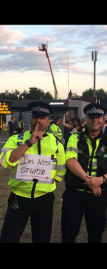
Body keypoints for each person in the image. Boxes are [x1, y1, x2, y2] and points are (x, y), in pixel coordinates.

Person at [0, 101, 66, 243]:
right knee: (8, 238)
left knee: (42, 239)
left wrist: (46, 185)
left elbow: (61, 172)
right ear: (30, 118)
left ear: (48, 121)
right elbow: (5, 161)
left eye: (42, 118)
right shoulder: (16, 139)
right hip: (19, 198)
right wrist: (29, 143)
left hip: (44, 200)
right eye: (35, 117)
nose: (38, 121)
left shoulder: (56, 144)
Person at [61, 103, 107, 243]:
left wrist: (100, 180)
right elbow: (70, 160)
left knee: (95, 235)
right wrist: (91, 181)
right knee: (68, 234)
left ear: (103, 119)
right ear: (86, 119)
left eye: (98, 117)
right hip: (74, 194)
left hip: (98, 196)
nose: (95, 120)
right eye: (91, 117)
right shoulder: (75, 138)